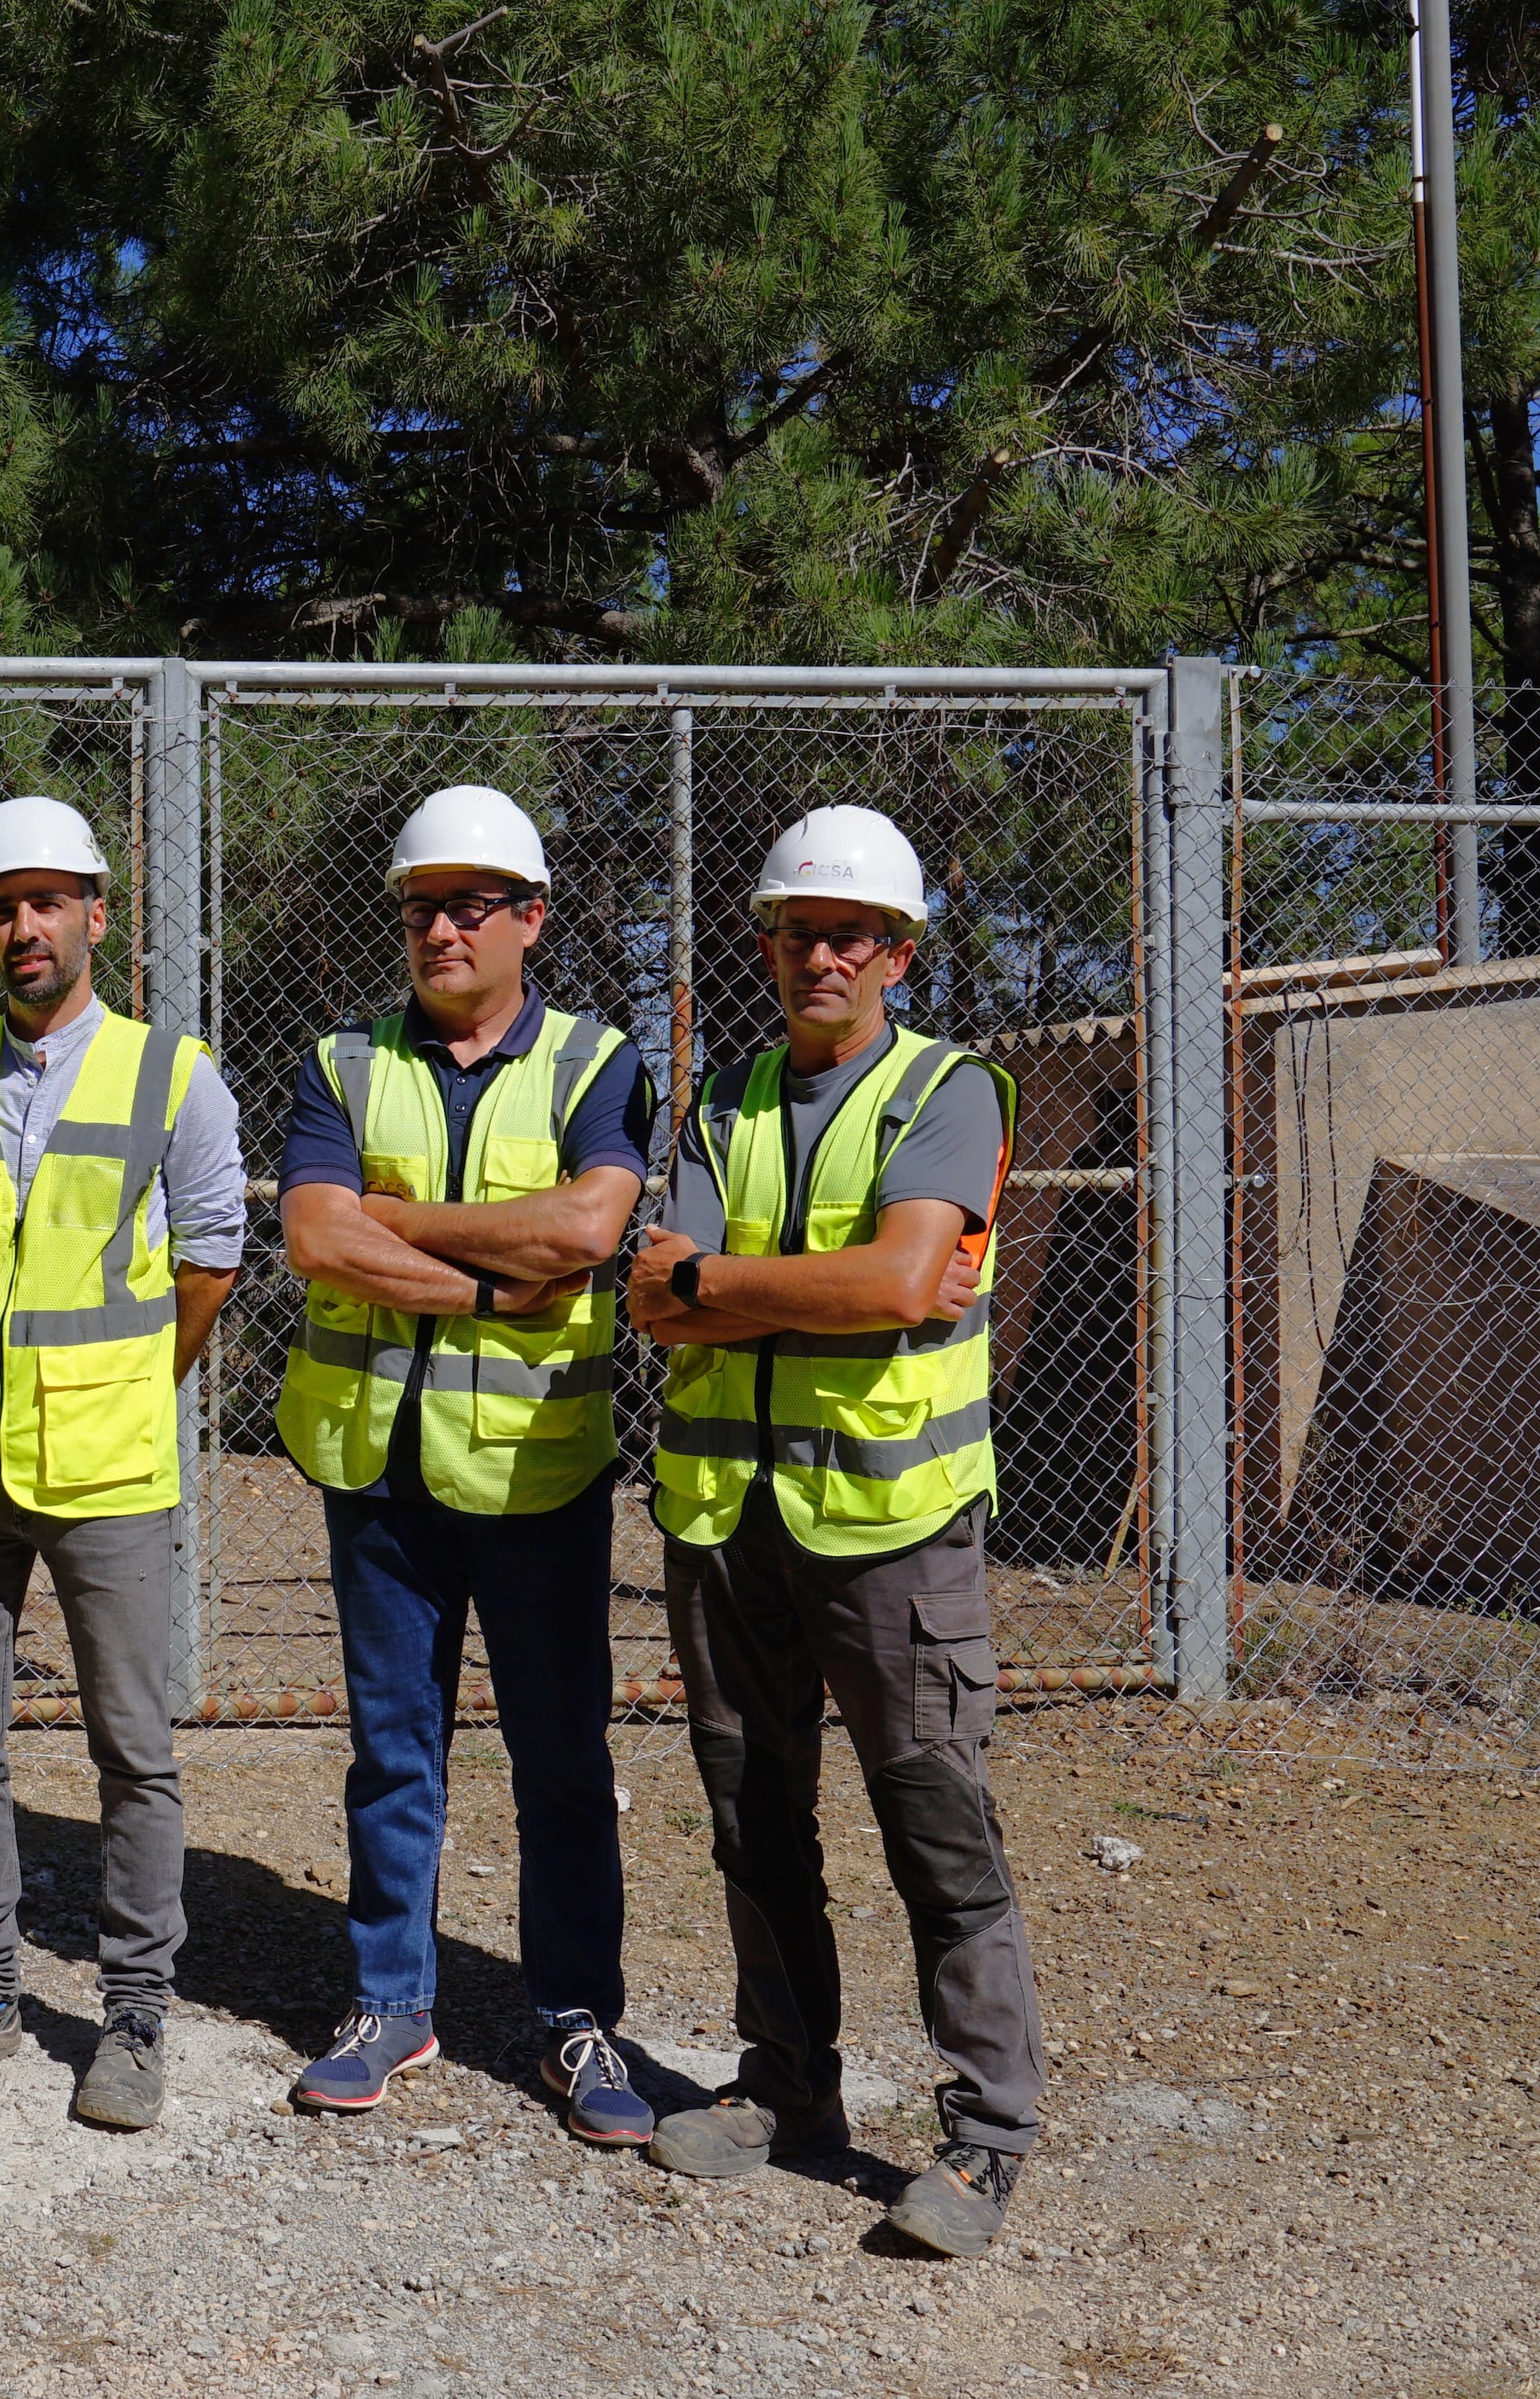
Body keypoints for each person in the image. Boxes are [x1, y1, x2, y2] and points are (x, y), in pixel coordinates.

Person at [628, 803, 1041, 2258]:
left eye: (849, 934)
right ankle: (788, 2088)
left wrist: (723, 1281)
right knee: (756, 1817)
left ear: (898, 954)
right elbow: (649, 1289)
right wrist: (833, 1277)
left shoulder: (951, 1091)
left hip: (891, 1529)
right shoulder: (721, 1099)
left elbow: (901, 1281)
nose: (821, 954)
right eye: (799, 931)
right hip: (726, 1521)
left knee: (935, 1824)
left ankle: (986, 2138)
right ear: (770, 942)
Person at [272, 786, 661, 2140]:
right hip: (376, 1467)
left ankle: (574, 2016)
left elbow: (588, 1227)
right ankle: (392, 2000)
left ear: (530, 918)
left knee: (559, 1752)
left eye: (470, 903)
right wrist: (491, 1282)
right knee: (394, 1751)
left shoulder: (598, 1060)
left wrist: (406, 1220)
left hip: (538, 1470)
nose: (440, 926)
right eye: (421, 904)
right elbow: (319, 1239)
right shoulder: (342, 1061)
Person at [0, 795, 245, 2131]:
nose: (24, 926)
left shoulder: (169, 1074)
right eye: (1, 904)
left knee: (132, 1748)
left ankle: (133, 2015)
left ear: (95, 911)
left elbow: (211, 1255)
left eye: (46, 900)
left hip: (109, 1467)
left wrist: (133, 1384)